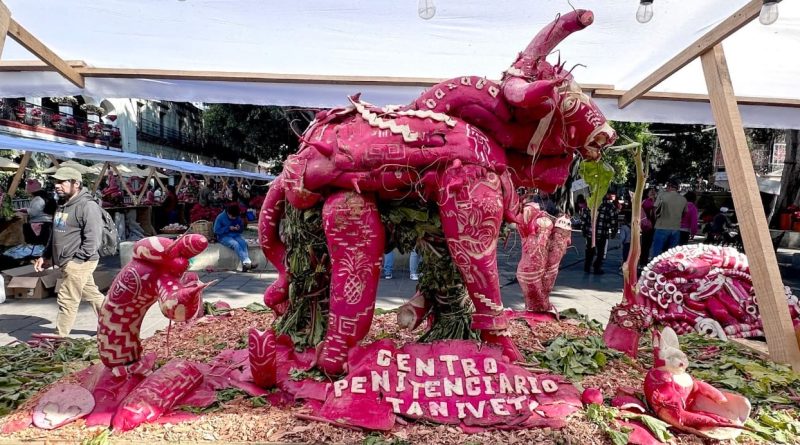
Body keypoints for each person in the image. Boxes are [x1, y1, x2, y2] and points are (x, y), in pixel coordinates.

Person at [33, 166, 106, 337]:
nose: (57, 185)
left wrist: (77, 262)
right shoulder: (62, 204)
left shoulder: (88, 206)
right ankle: (115, 324)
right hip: (67, 261)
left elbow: (93, 239)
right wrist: (46, 255)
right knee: (93, 295)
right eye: (56, 182)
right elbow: (55, 233)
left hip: (80, 261)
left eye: (62, 181)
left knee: (67, 298)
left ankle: (59, 338)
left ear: (76, 184)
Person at [580, 192, 619, 274]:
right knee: (600, 252)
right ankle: (596, 267)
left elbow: (584, 218)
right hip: (602, 233)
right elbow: (614, 220)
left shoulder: (591, 204)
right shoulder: (610, 206)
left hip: (591, 233)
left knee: (589, 250)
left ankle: (587, 266)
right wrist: (614, 231)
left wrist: (583, 229)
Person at [214, 204, 256, 271]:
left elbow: (241, 229)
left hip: (235, 234)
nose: (234, 218)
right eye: (233, 217)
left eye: (235, 217)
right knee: (235, 244)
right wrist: (228, 228)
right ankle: (247, 263)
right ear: (228, 213)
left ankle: (246, 265)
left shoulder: (237, 217)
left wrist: (239, 228)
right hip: (223, 236)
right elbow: (216, 230)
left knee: (243, 243)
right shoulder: (220, 217)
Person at [651, 179, 687, 258]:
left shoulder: (662, 196)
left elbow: (655, 210)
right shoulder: (683, 199)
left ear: (669, 187)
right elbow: (684, 213)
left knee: (657, 252)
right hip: (676, 227)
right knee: (672, 253)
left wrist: (655, 220)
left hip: (661, 226)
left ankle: (656, 265)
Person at [23, 180, 57, 246]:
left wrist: (26, 210)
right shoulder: (45, 197)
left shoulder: (38, 199)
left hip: (41, 225)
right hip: (47, 224)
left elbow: (33, 212)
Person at [639, 187, 657, 267]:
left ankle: (643, 261)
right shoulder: (647, 201)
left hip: (650, 225)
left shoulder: (652, 201)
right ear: (647, 193)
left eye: (654, 191)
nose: (653, 192)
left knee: (647, 245)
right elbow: (651, 207)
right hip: (648, 226)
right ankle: (643, 261)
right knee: (646, 245)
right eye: (651, 191)